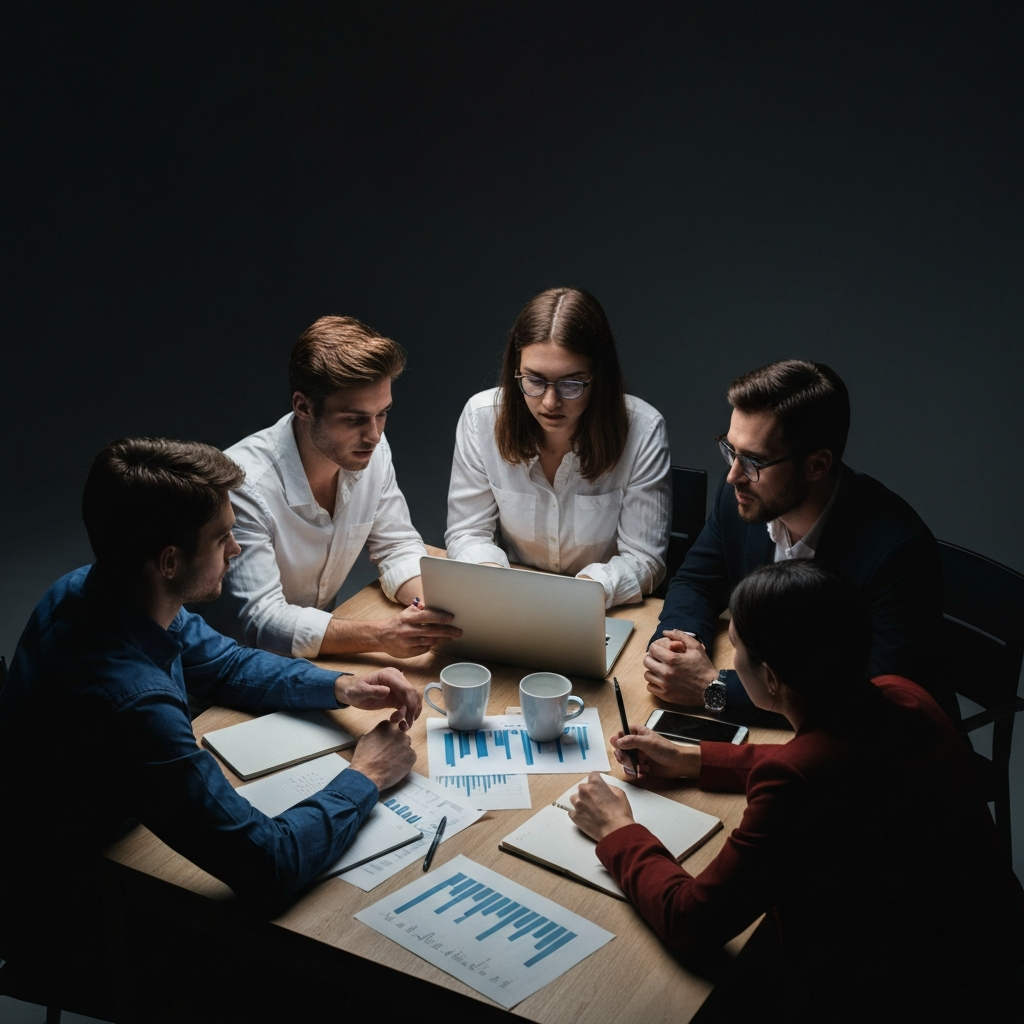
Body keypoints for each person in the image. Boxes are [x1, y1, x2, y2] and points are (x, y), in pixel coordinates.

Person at [0, 438, 422, 1014]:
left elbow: (224, 663)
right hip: (89, 912)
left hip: (112, 834)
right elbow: (267, 866)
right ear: (170, 560)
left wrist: (341, 685)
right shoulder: (132, 703)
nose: (237, 545)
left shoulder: (92, 588)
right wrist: (366, 777)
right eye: (223, 537)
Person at [571, 561, 1024, 1022]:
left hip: (901, 1000)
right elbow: (835, 761)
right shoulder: (900, 693)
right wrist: (692, 759)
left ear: (771, 678)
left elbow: (692, 920)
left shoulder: (795, 783)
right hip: (998, 958)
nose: (729, 655)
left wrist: (618, 829)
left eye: (738, 647)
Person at [645, 359, 950, 722]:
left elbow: (872, 700)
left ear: (817, 466)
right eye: (730, 450)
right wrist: (676, 649)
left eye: (754, 461)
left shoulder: (897, 554)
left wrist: (714, 687)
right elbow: (696, 581)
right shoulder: (742, 501)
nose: (733, 476)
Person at [200, 315, 461, 659]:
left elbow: (396, 545)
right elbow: (262, 620)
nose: (374, 435)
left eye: (383, 413)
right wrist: (381, 636)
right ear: (303, 406)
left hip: (316, 661)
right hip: (230, 675)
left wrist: (432, 610)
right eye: (354, 419)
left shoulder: (371, 451)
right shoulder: (244, 485)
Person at [445, 287, 671, 608]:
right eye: (534, 380)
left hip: (597, 607)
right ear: (516, 372)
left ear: (599, 377)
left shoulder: (643, 429)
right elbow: (467, 533)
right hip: (511, 601)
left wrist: (577, 598)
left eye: (571, 384)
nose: (550, 402)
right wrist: (492, 580)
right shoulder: (481, 418)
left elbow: (645, 560)